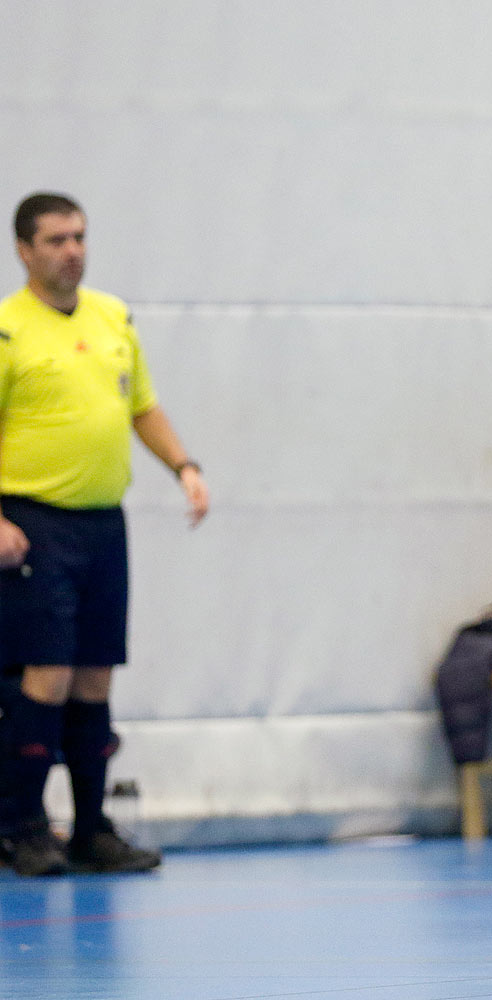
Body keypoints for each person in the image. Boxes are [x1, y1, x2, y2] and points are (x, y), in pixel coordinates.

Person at [0, 192, 210, 876]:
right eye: (56, 240)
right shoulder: (8, 331)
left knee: (94, 675)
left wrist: (184, 466)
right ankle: (22, 824)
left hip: (101, 525)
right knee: (47, 673)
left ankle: (91, 827)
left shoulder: (113, 318)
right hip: (33, 524)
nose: (72, 251)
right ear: (25, 251)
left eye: (79, 237)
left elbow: (141, 406)